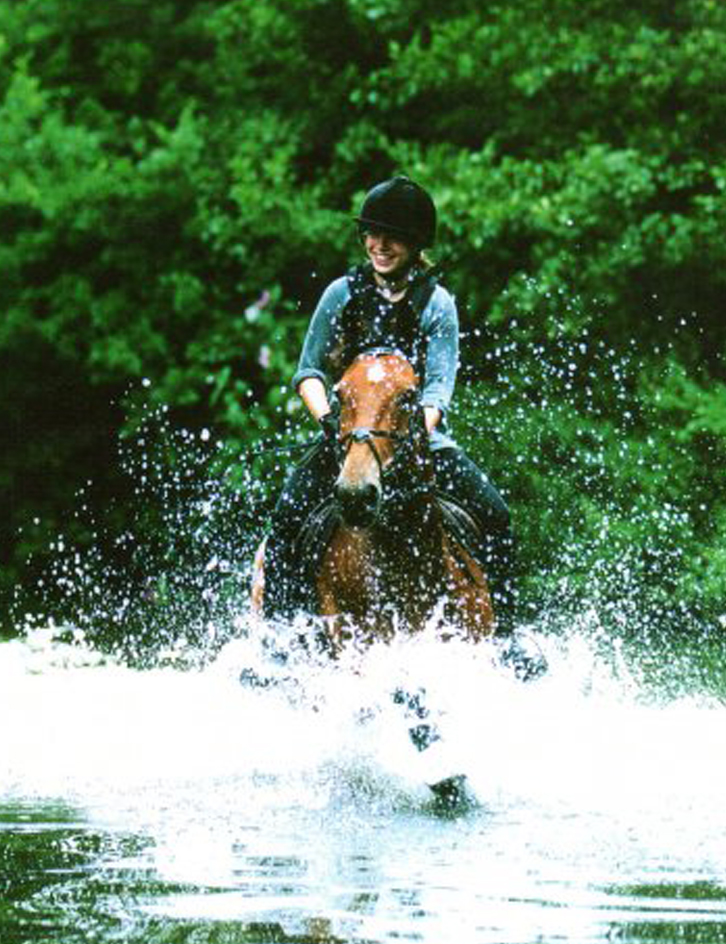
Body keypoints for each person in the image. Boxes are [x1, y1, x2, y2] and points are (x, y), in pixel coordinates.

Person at [263, 175, 516, 633]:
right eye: (371, 234)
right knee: (285, 519)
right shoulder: (340, 295)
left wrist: (407, 435)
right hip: (344, 438)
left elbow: (438, 389)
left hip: (415, 439)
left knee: (496, 514)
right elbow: (308, 372)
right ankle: (277, 641)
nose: (378, 245)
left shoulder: (436, 304)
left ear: (415, 243)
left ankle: (511, 636)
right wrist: (328, 421)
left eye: (392, 236)